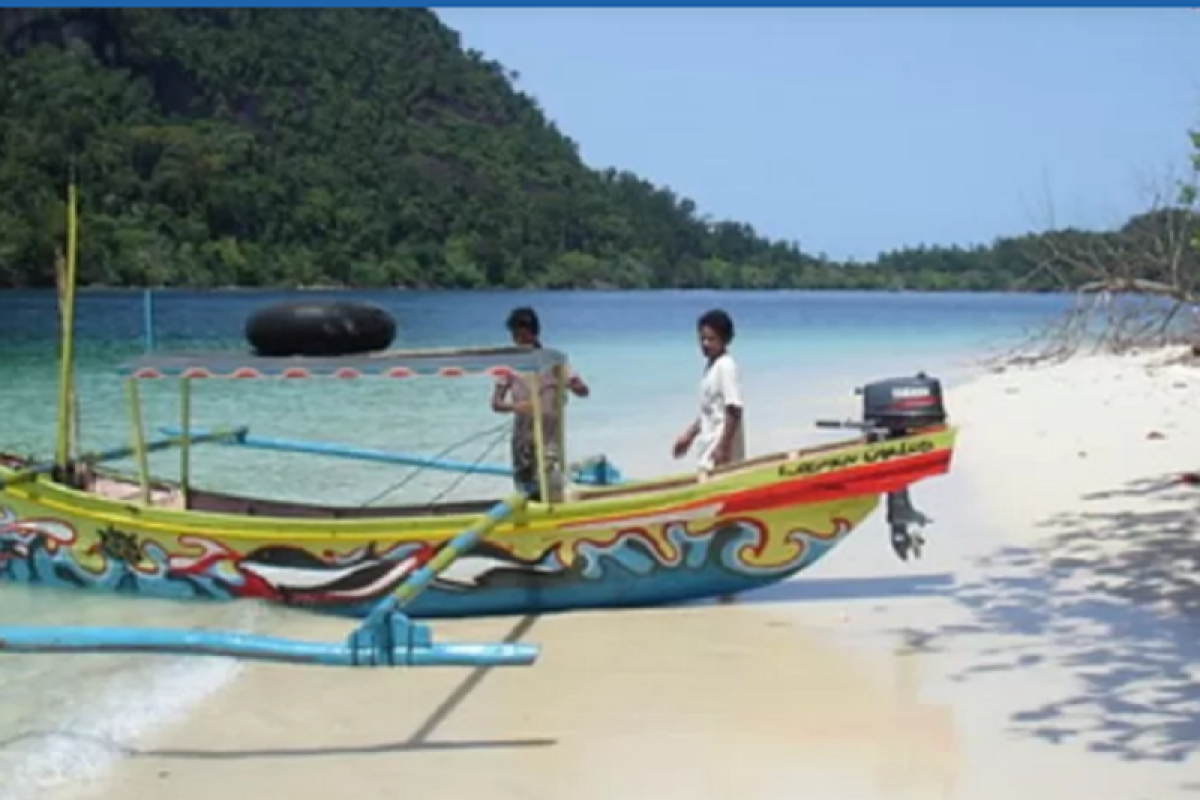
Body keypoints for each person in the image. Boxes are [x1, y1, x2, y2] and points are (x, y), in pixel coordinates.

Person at [491, 307, 589, 500]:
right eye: (515, 336)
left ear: (534, 333)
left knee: (551, 488)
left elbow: (584, 392)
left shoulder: (554, 362)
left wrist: (575, 386)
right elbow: (495, 403)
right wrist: (516, 407)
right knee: (525, 492)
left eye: (523, 335)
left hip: (549, 440)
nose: (519, 341)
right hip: (522, 440)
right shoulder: (508, 366)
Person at [672, 308, 745, 471]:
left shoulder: (726, 366)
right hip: (708, 444)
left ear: (725, 339)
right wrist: (689, 435)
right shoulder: (711, 367)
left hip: (719, 449)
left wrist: (723, 447)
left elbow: (734, 409)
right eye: (702, 338)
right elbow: (709, 410)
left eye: (711, 339)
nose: (705, 344)